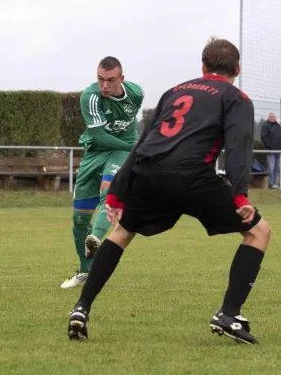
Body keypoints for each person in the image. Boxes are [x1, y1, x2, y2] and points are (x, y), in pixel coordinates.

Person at [67, 38, 271, 345]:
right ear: (237, 70)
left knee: (121, 233)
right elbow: (238, 149)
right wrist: (240, 195)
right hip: (192, 176)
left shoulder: (174, 91)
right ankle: (229, 314)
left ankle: (81, 308)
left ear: (203, 67)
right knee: (259, 232)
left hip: (148, 172)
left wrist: (116, 194)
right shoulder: (236, 97)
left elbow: (142, 142)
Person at [61, 57, 144, 289]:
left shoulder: (136, 93)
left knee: (108, 190)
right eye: (100, 79)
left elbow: (127, 124)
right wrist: (137, 148)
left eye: (110, 80)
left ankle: (96, 237)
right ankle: (85, 272)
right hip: (94, 152)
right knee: (79, 219)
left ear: (122, 79)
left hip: (120, 153)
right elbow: (98, 136)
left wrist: (131, 149)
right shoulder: (90, 96)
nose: (104, 85)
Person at [260, 112, 281, 188]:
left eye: (273, 116)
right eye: (271, 116)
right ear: (268, 117)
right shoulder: (265, 125)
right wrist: (269, 145)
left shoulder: (278, 126)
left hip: (278, 151)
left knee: (277, 168)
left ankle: (275, 183)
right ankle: (271, 183)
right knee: (271, 167)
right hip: (271, 150)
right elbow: (263, 137)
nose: (272, 117)